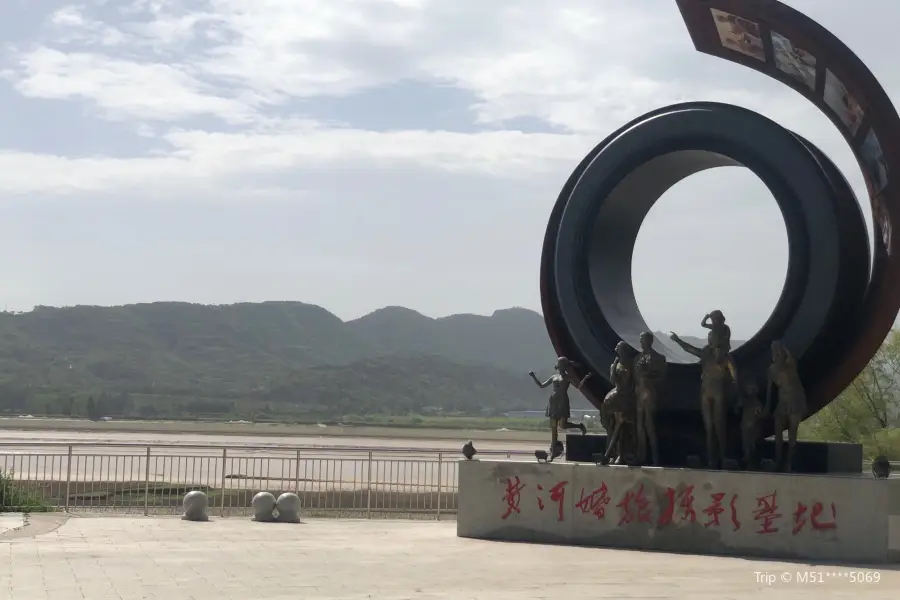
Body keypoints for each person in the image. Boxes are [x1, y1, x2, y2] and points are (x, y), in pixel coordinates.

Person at [529, 357, 591, 460]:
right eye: (559, 363)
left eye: (562, 364)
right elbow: (541, 385)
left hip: (562, 402)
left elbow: (579, 387)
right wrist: (533, 376)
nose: (560, 366)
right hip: (553, 402)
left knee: (563, 425)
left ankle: (579, 426)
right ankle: (552, 455)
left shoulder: (568, 377)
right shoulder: (554, 376)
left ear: (565, 365)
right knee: (554, 430)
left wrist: (586, 378)